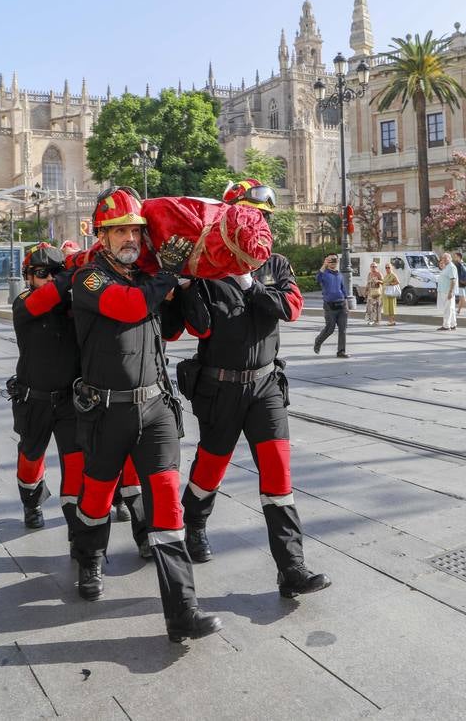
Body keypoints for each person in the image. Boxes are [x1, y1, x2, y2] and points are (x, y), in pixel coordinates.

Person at [70, 185, 221, 643]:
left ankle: (183, 612)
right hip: (106, 412)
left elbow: (182, 329)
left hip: (156, 408)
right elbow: (130, 307)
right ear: (102, 235)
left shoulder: (148, 279)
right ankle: (90, 560)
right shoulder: (90, 280)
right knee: (96, 500)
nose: (129, 237)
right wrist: (167, 278)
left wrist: (189, 285)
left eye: (135, 229)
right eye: (119, 231)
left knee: (168, 507)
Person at [170, 179, 331, 601]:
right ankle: (195, 525)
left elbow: (290, 308)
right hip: (220, 388)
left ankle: (291, 569)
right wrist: (186, 285)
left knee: (278, 476)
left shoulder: (275, 264)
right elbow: (196, 328)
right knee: (210, 469)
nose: (258, 223)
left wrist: (248, 282)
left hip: (265, 387)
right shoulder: (204, 270)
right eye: (250, 215)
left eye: (262, 217)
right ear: (229, 220)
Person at [9, 243, 83, 541]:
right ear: (29, 277)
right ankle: (31, 501)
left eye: (55, 272)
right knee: (30, 458)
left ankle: (78, 530)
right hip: (34, 400)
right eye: (42, 273)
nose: (50, 279)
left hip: (69, 402)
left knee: (76, 465)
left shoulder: (73, 303)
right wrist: (71, 270)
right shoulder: (24, 303)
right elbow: (48, 297)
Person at [314, 253, 349, 357]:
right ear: (327, 262)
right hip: (329, 306)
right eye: (331, 260)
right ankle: (318, 341)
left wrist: (346, 304)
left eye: (335, 260)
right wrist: (324, 265)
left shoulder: (340, 275)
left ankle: (341, 351)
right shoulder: (324, 274)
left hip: (342, 305)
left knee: (342, 330)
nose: (333, 262)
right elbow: (317, 278)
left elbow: (343, 289)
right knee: (330, 329)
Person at [437, 252, 458, 331]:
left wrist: (451, 291)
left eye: (446, 258)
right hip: (444, 291)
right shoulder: (447, 267)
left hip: (447, 291)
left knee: (447, 309)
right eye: (443, 258)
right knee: (451, 308)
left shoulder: (451, 267)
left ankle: (446, 325)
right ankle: (453, 324)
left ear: (450, 258)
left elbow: (453, 280)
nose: (444, 259)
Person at [453, 250, 466, 315]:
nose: (454, 258)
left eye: (455, 256)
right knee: (462, 298)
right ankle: (458, 311)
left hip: (460, 283)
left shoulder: (457, 265)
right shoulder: (465, 264)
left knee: (463, 298)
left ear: (459, 257)